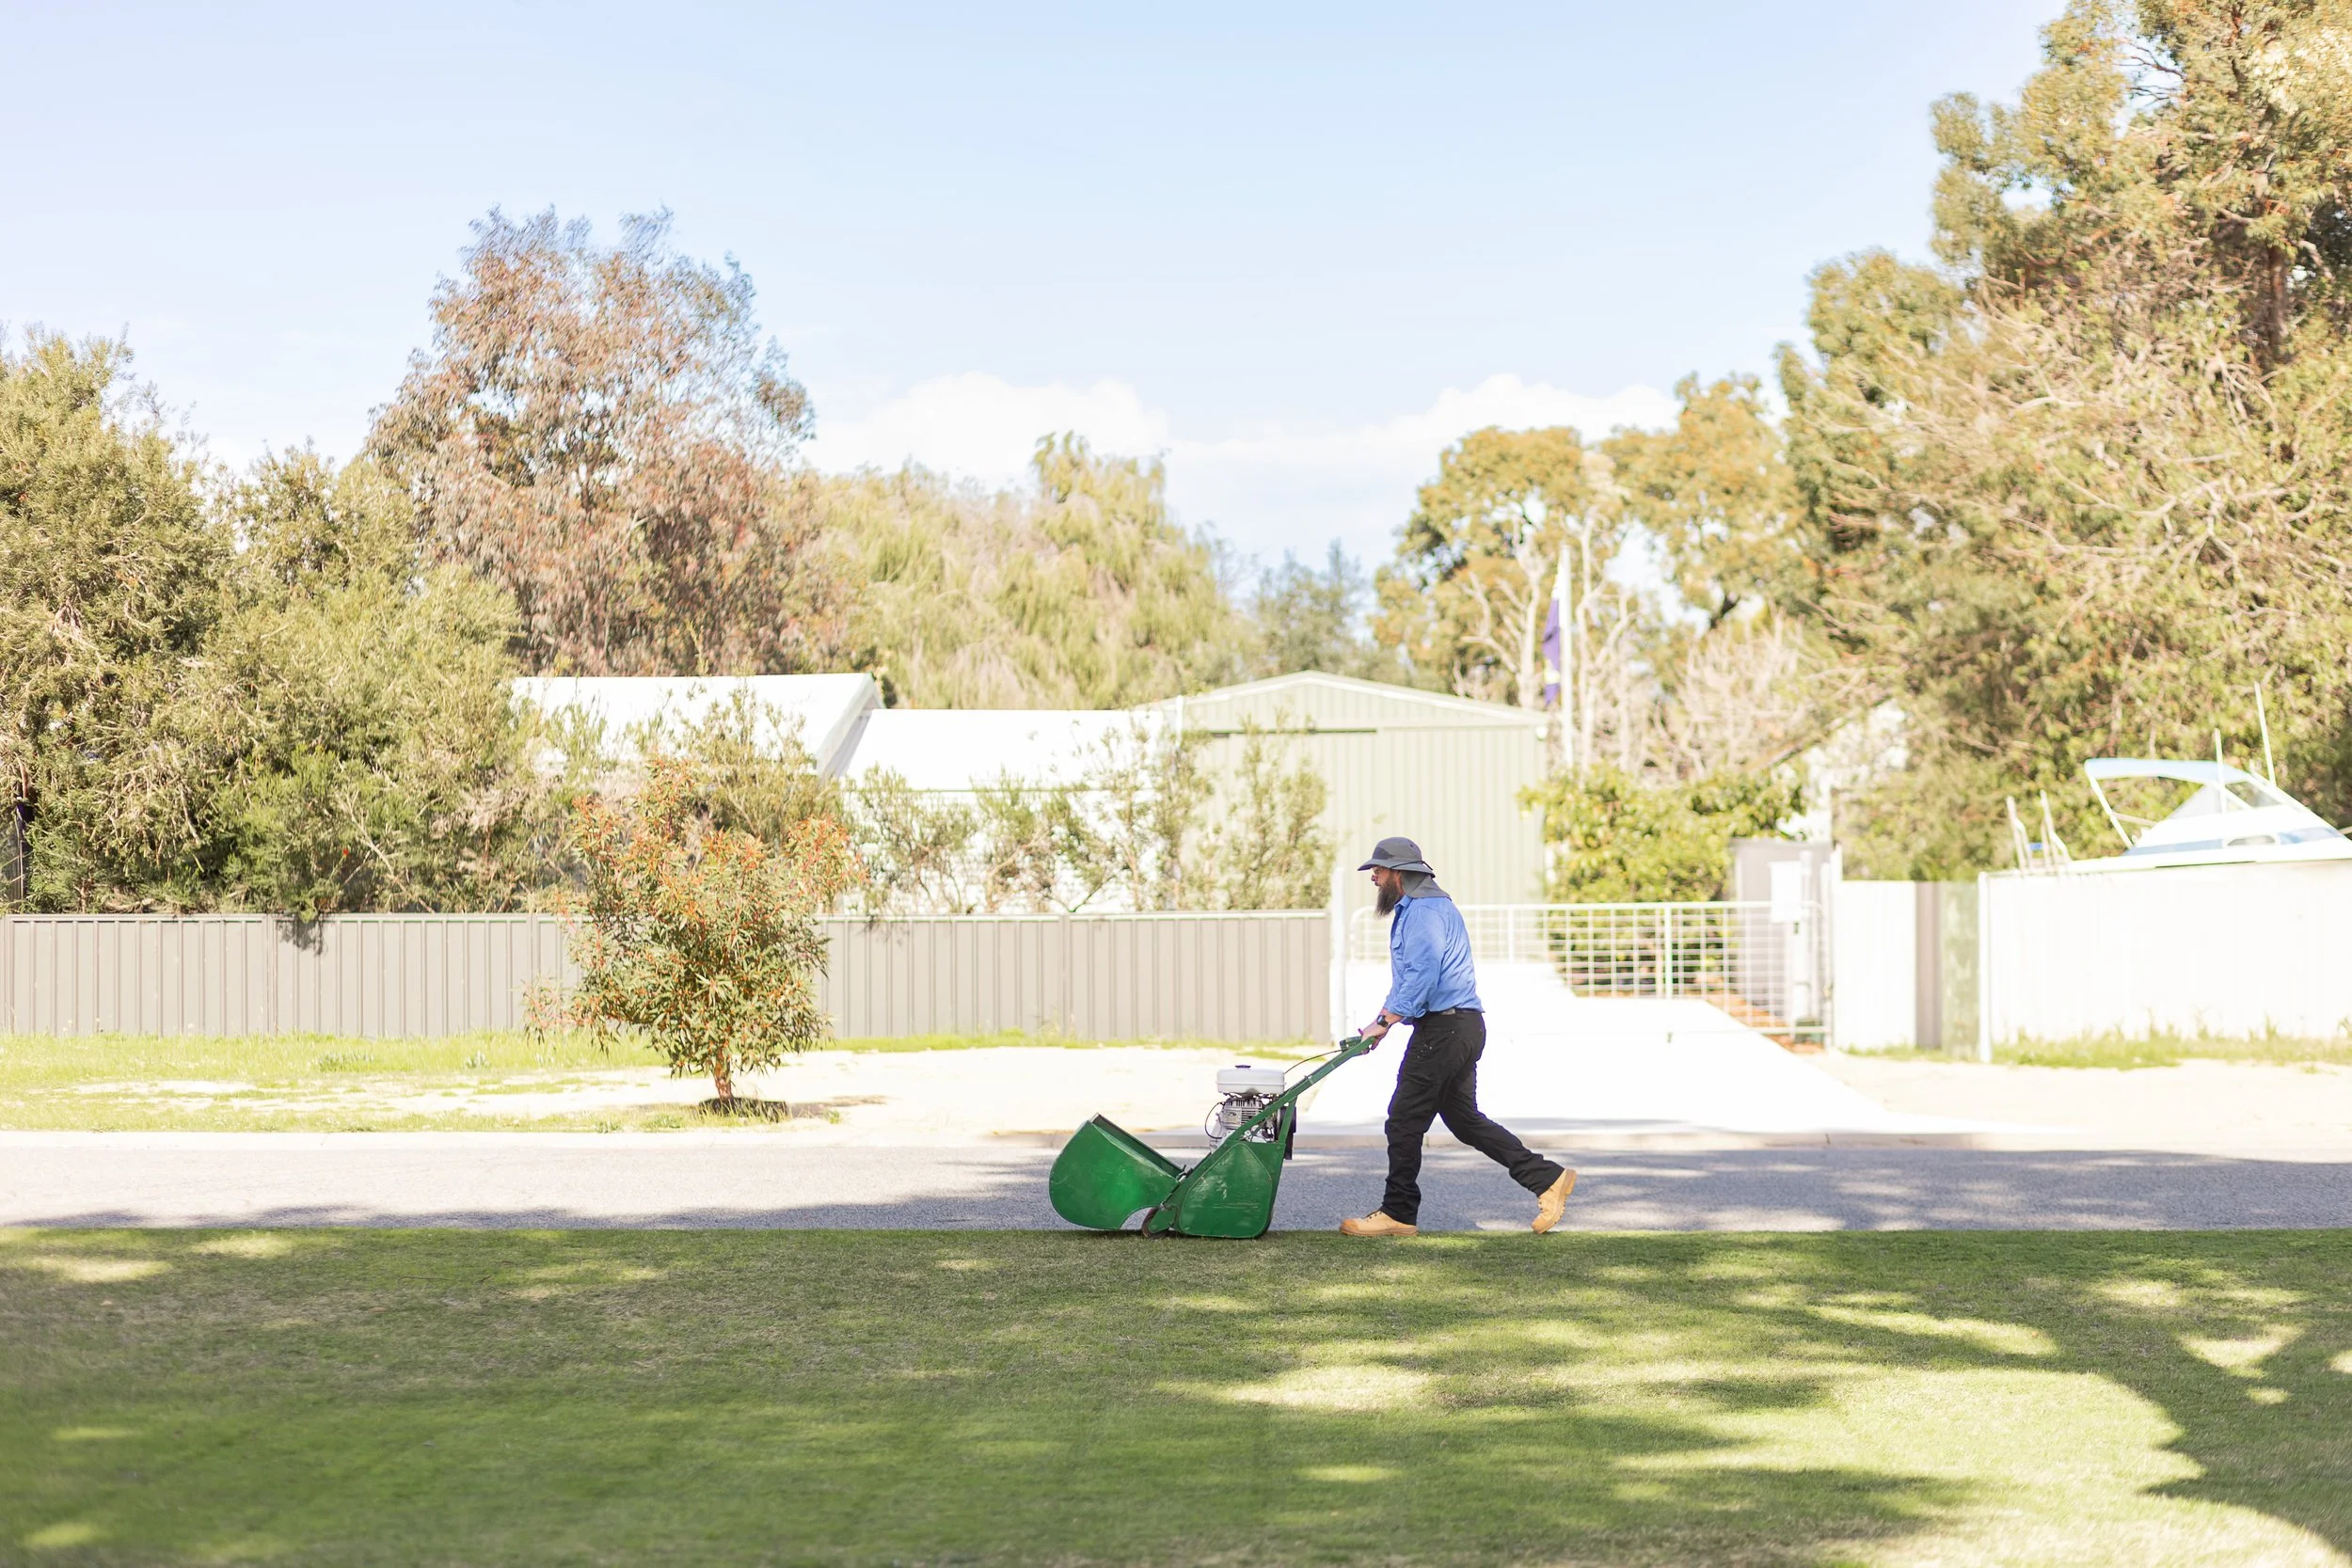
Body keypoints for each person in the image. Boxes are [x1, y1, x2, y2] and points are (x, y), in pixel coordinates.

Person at [1340, 836, 1577, 1238]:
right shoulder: (1423, 908)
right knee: (1464, 1121)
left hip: (1445, 1030)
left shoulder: (1425, 912)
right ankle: (1547, 1179)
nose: (1374, 877)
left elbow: (1423, 973)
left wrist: (1385, 1020)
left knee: (1403, 1120)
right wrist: (1383, 1021)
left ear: (1399, 873)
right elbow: (1413, 977)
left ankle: (1397, 1213)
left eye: (1378, 870)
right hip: (1458, 1026)